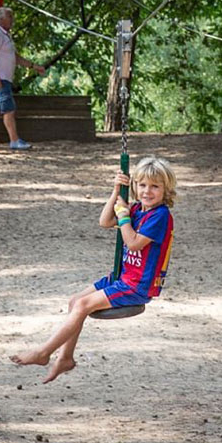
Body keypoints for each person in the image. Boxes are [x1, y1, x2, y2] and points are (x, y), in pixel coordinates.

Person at [10, 156, 177, 383]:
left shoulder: (160, 216)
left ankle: (43, 353)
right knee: (74, 301)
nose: (147, 191)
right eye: (142, 185)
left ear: (165, 189)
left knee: (83, 305)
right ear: (135, 185)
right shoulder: (138, 208)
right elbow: (105, 221)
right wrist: (116, 191)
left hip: (137, 284)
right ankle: (65, 358)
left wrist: (124, 217)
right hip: (121, 275)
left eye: (155, 186)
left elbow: (134, 242)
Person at [0, 6, 46, 150]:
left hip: (4, 79)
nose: (12, 20)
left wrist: (34, 66)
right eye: (10, 17)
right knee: (9, 109)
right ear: (1, 19)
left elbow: (15, 58)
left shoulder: (6, 36)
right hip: (0, 80)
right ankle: (14, 141)